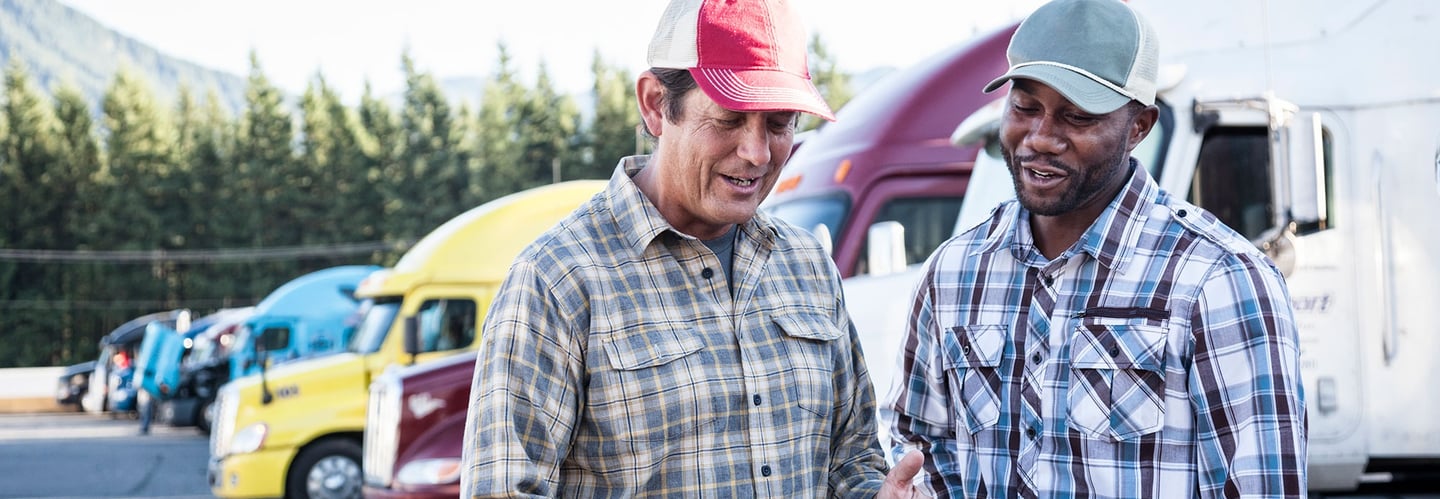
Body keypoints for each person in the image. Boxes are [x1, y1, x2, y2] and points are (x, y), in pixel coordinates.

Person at [460, 0, 923, 496]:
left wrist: (874, 492)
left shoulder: (807, 265)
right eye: (729, 118)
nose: (757, 153)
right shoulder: (557, 280)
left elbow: (851, 456)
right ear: (656, 105)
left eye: (778, 123)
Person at [882, 0, 1307, 497]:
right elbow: (919, 440)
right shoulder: (954, 271)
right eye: (1025, 107)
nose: (1041, 138)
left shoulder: (1220, 280)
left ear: (1139, 126)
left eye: (1077, 117)